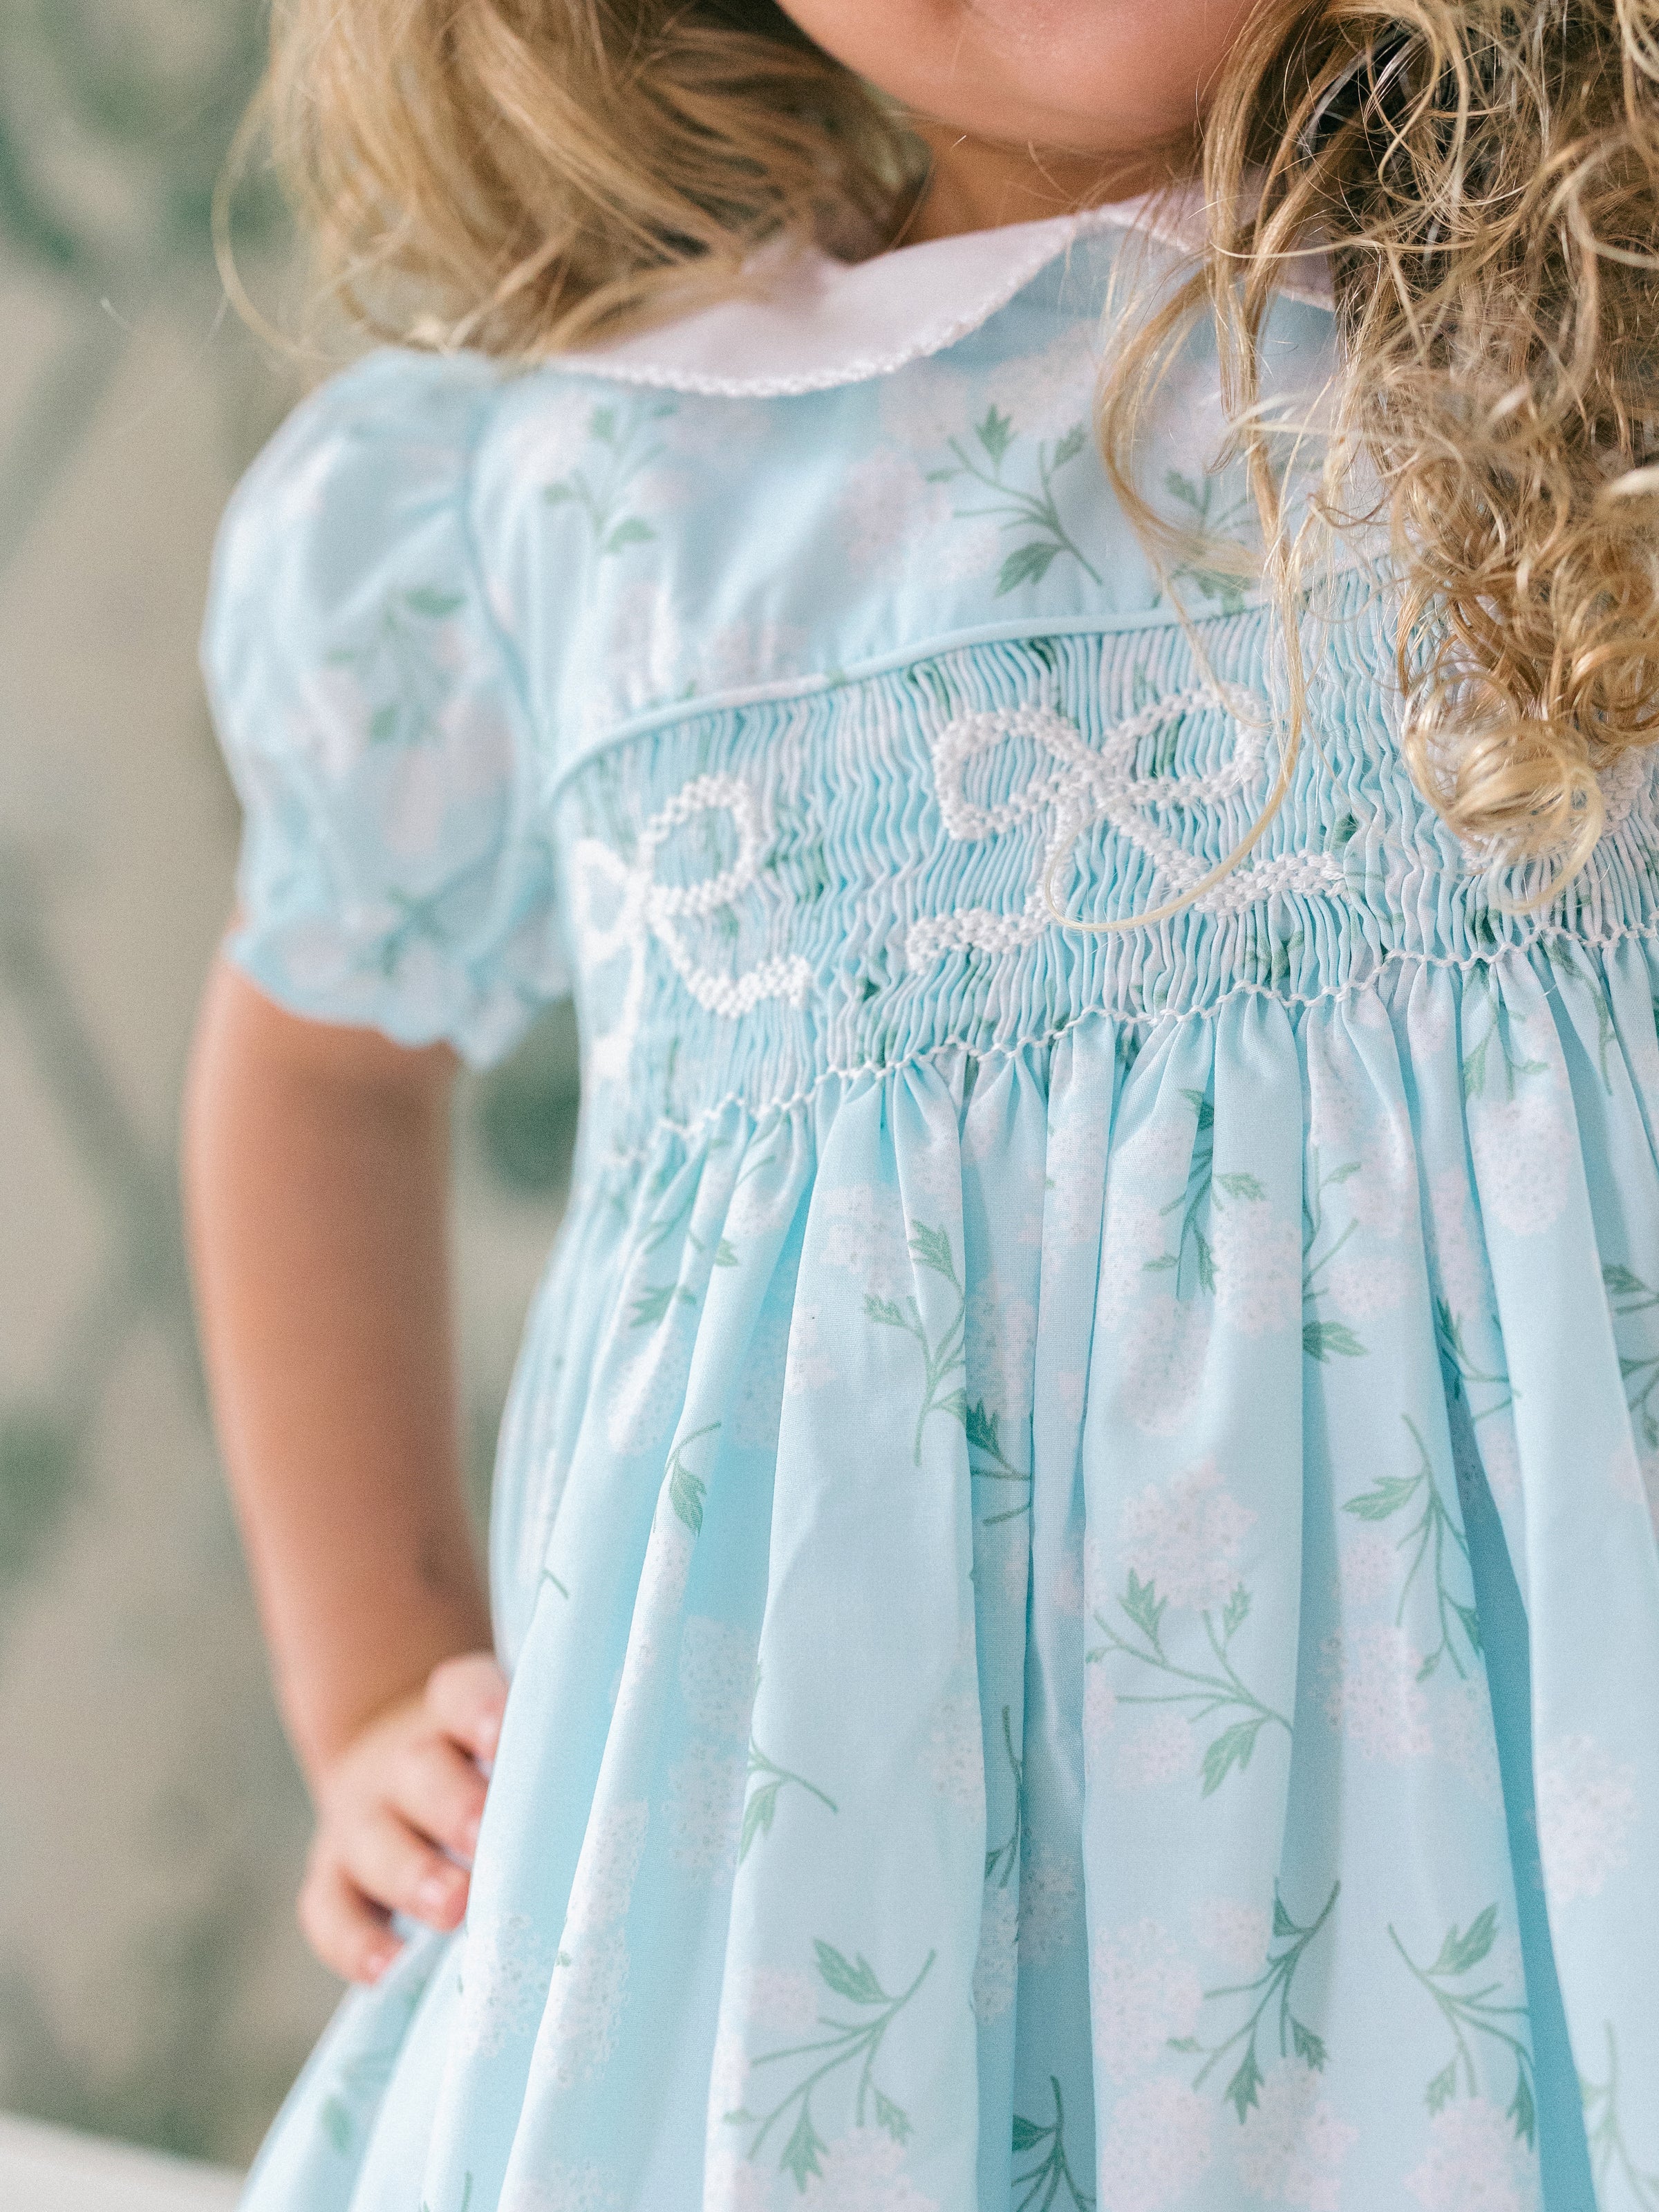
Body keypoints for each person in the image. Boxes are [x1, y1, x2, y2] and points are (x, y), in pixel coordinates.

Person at [181, 1, 1659, 2206]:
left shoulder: (1593, 339)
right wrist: (381, 1678)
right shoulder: (575, 488)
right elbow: (317, 1056)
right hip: (818, 1924)